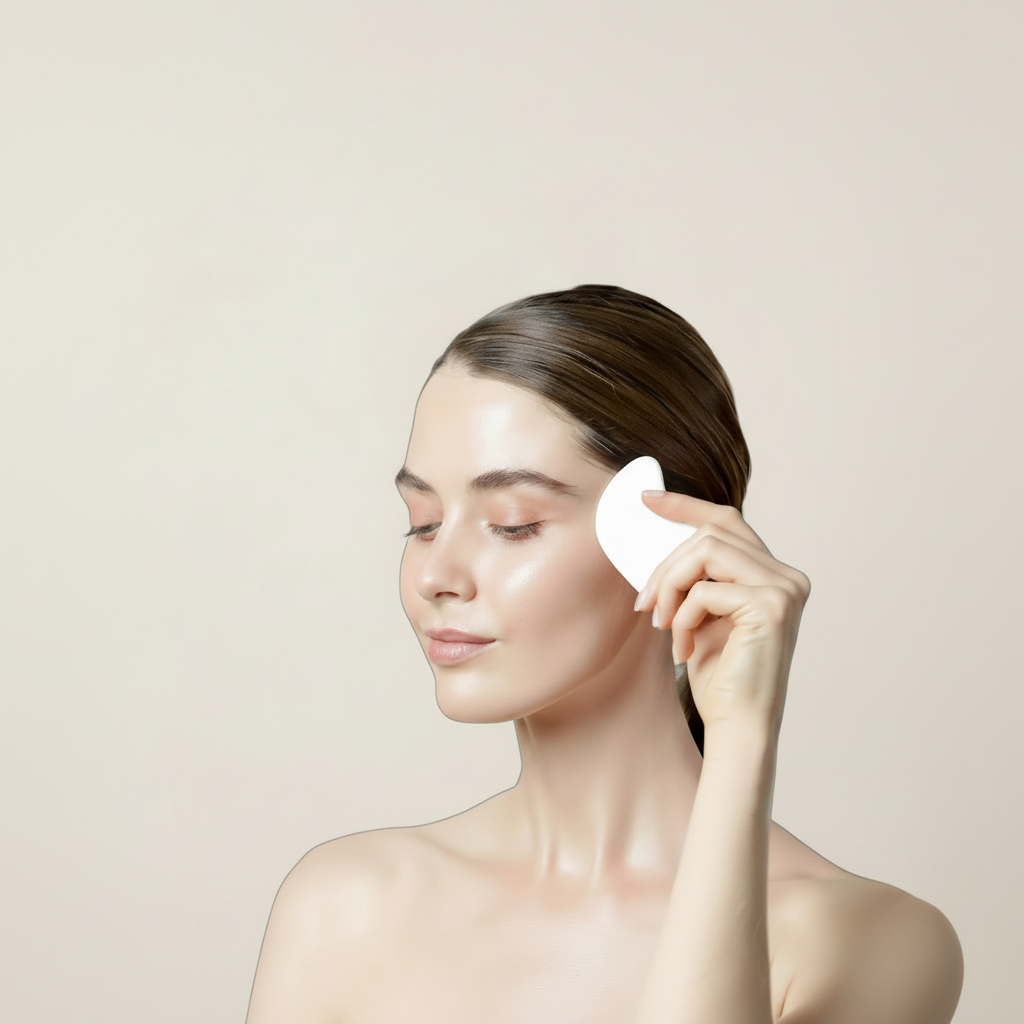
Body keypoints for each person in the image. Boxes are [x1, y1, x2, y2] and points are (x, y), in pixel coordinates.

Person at [246, 285, 963, 1023]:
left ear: (671, 541)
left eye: (513, 524)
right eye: (422, 523)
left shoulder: (871, 942)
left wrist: (745, 740)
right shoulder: (344, 905)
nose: (436, 577)